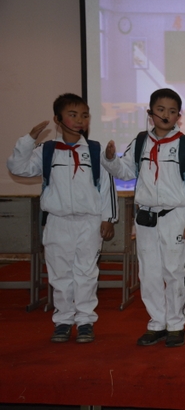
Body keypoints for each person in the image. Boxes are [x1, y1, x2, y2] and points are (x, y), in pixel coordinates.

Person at [7, 93, 118, 344]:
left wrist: (108, 218)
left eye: (84, 115)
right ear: (57, 119)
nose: (80, 120)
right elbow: (17, 167)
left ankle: (85, 321)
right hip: (57, 222)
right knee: (60, 274)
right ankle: (63, 321)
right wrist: (28, 140)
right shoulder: (46, 151)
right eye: (73, 114)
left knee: (86, 273)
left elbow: (106, 187)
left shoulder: (95, 150)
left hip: (89, 223)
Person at [101, 88, 185, 348]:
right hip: (146, 217)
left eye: (172, 111)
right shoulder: (140, 142)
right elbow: (125, 172)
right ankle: (157, 323)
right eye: (160, 110)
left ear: (179, 116)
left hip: (175, 217)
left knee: (174, 271)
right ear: (150, 113)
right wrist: (111, 159)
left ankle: (176, 325)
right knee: (148, 273)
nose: (166, 115)